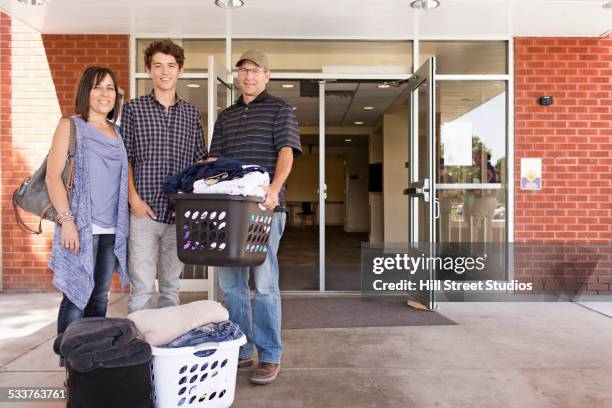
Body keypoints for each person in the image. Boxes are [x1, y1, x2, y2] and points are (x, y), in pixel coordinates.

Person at [210, 49, 302, 385]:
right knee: (232, 286)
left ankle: (269, 355)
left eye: (255, 70)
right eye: (243, 70)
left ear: (267, 75)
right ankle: (242, 348)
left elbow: (286, 152)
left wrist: (274, 189)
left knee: (264, 284)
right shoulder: (226, 116)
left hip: (263, 210)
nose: (248, 76)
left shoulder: (280, 110)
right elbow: (216, 159)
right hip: (229, 211)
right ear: (237, 75)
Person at [47, 66, 130, 364]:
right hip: (80, 227)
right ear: (86, 91)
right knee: (75, 296)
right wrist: (67, 222)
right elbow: (53, 178)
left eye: (110, 88)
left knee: (100, 297)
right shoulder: (70, 126)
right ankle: (70, 365)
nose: (105, 94)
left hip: (111, 229)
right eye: (98, 87)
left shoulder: (117, 133)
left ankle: (90, 361)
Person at [121, 40, 208, 312]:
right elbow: (125, 160)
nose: (165, 72)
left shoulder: (191, 114)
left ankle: (168, 346)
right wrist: (133, 200)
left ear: (180, 70)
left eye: (171, 66)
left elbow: (199, 161)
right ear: (149, 70)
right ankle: (140, 350)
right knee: (142, 288)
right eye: (158, 66)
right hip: (143, 212)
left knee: (171, 287)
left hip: (179, 214)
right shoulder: (134, 110)